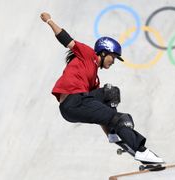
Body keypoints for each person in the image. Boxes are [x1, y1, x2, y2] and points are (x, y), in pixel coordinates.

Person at [40, 12, 164, 163]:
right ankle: (140, 150)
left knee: (111, 93)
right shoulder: (88, 54)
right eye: (113, 57)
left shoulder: (94, 80)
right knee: (121, 119)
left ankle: (114, 132)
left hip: (80, 102)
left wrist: (109, 133)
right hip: (72, 103)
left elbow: (99, 113)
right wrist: (49, 21)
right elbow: (66, 39)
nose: (113, 62)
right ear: (104, 52)